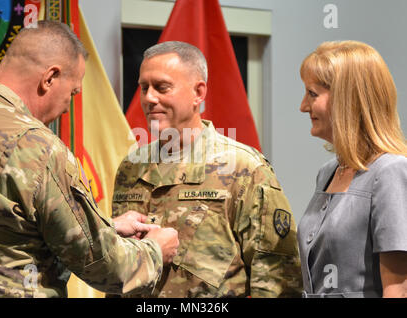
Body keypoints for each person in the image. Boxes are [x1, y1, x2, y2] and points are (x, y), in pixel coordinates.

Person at [0, 20, 179, 298]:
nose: (67, 107)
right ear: (50, 77)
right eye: (72, 92)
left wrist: (106, 226)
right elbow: (103, 266)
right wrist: (156, 250)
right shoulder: (35, 146)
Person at [111, 41, 302, 297]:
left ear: (198, 93)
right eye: (144, 88)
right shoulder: (131, 167)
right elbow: (118, 272)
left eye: (161, 87)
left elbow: (276, 277)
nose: (148, 98)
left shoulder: (243, 168)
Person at [298, 40, 407, 298]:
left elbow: (399, 288)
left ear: (348, 99)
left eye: (312, 94)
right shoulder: (327, 172)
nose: (303, 106)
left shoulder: (390, 172)